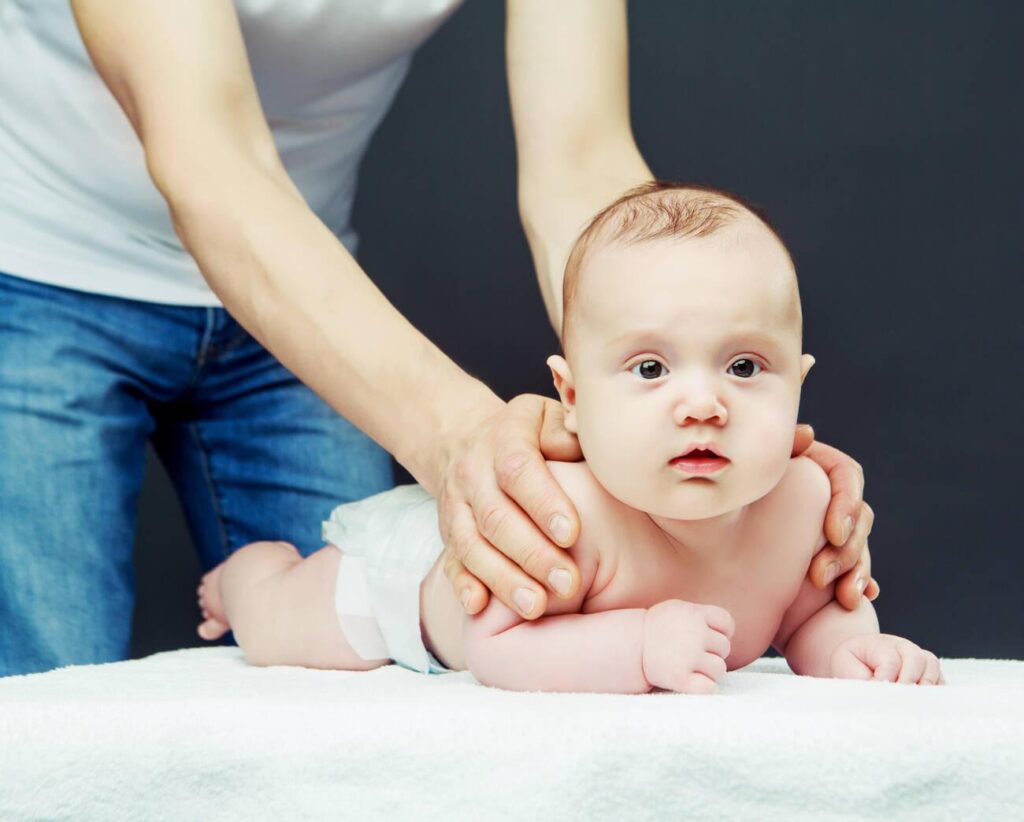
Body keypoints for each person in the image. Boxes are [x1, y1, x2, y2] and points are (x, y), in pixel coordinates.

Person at [0, 1, 875, 677]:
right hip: (42, 263)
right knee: (48, 695)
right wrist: (458, 435)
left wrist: (726, 400)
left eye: (757, 366)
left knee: (362, 707)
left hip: (313, 291)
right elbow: (207, 155)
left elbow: (583, 165)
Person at [195, 182, 939, 691]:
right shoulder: (564, 512)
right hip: (415, 581)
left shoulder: (807, 503)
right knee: (286, 625)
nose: (704, 403)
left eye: (745, 366)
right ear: (573, 399)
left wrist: (857, 654)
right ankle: (248, 577)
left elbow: (815, 614)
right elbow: (496, 648)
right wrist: (636, 648)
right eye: (650, 367)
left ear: (799, 384)